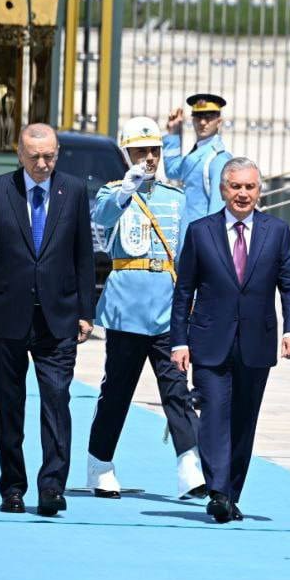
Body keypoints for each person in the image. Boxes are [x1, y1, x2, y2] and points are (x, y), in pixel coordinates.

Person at [0, 123, 96, 517]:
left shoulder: (73, 190)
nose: (42, 164)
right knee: (8, 404)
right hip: (8, 313)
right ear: (20, 154)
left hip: (58, 317)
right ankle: (13, 487)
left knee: (56, 399)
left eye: (49, 156)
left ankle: (52, 486)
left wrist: (86, 311)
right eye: (35, 156)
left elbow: (83, 254)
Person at [170, 156, 290, 523]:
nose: (242, 194)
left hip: (257, 342)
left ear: (259, 190)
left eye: (250, 187)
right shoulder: (201, 232)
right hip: (209, 341)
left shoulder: (277, 231)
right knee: (214, 414)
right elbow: (184, 291)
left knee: (244, 420)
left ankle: (231, 493)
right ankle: (217, 491)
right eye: (236, 186)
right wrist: (179, 341)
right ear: (223, 190)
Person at [86, 116, 205, 501]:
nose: (149, 158)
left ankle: (189, 465)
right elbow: (102, 219)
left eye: (153, 151)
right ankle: (100, 464)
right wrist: (127, 189)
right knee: (117, 391)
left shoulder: (175, 198)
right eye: (140, 152)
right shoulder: (112, 193)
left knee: (176, 389)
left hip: (167, 307)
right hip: (126, 307)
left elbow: (186, 253)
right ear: (127, 154)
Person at [163, 93, 232, 224]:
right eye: (198, 117)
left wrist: (210, 234)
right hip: (187, 228)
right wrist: (173, 132)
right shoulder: (199, 152)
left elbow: (218, 206)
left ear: (219, 122)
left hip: (201, 231)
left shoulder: (218, 158)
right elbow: (172, 170)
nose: (202, 122)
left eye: (208, 117)